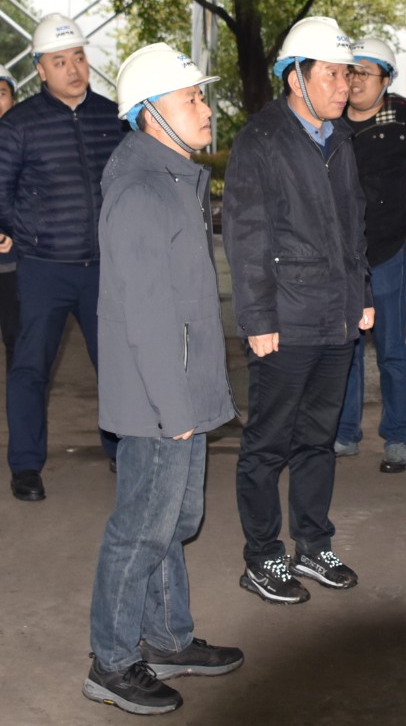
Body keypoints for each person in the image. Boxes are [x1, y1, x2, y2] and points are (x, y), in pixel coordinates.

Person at [84, 44, 243, 716]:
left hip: (184, 387)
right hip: (159, 397)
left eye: (202, 96)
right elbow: (146, 318)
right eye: (191, 98)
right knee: (140, 529)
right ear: (151, 113)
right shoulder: (142, 192)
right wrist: (174, 408)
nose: (205, 109)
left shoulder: (175, 178)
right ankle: (112, 661)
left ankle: (168, 637)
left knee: (176, 519)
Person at [224, 16, 373, 605]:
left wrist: (362, 294)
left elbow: (354, 225)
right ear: (296, 77)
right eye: (332, 74)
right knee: (267, 443)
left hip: (337, 316)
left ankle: (312, 544)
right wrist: (257, 319)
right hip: (286, 321)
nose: (345, 85)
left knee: (318, 438)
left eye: (347, 74)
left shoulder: (339, 139)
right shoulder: (261, 139)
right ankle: (263, 556)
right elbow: (246, 235)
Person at [0, 15, 124, 502]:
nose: (73, 70)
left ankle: (121, 450)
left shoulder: (112, 117)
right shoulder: (19, 124)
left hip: (103, 270)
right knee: (29, 367)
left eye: (78, 58)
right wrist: (20, 231)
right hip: (43, 269)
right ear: (40, 69)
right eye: (59, 62)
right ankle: (26, 465)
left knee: (115, 365)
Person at [333, 37, 406, 472]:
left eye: (365, 73)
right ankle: (344, 433)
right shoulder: (330, 122)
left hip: (386, 252)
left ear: (386, 80)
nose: (355, 81)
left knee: (390, 348)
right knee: (346, 347)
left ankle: (398, 436)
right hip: (342, 256)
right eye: (350, 71)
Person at [0, 65, 20, 379]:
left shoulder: (26, 143)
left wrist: (16, 231)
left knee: (17, 342)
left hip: (13, 265)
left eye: (1, 94)